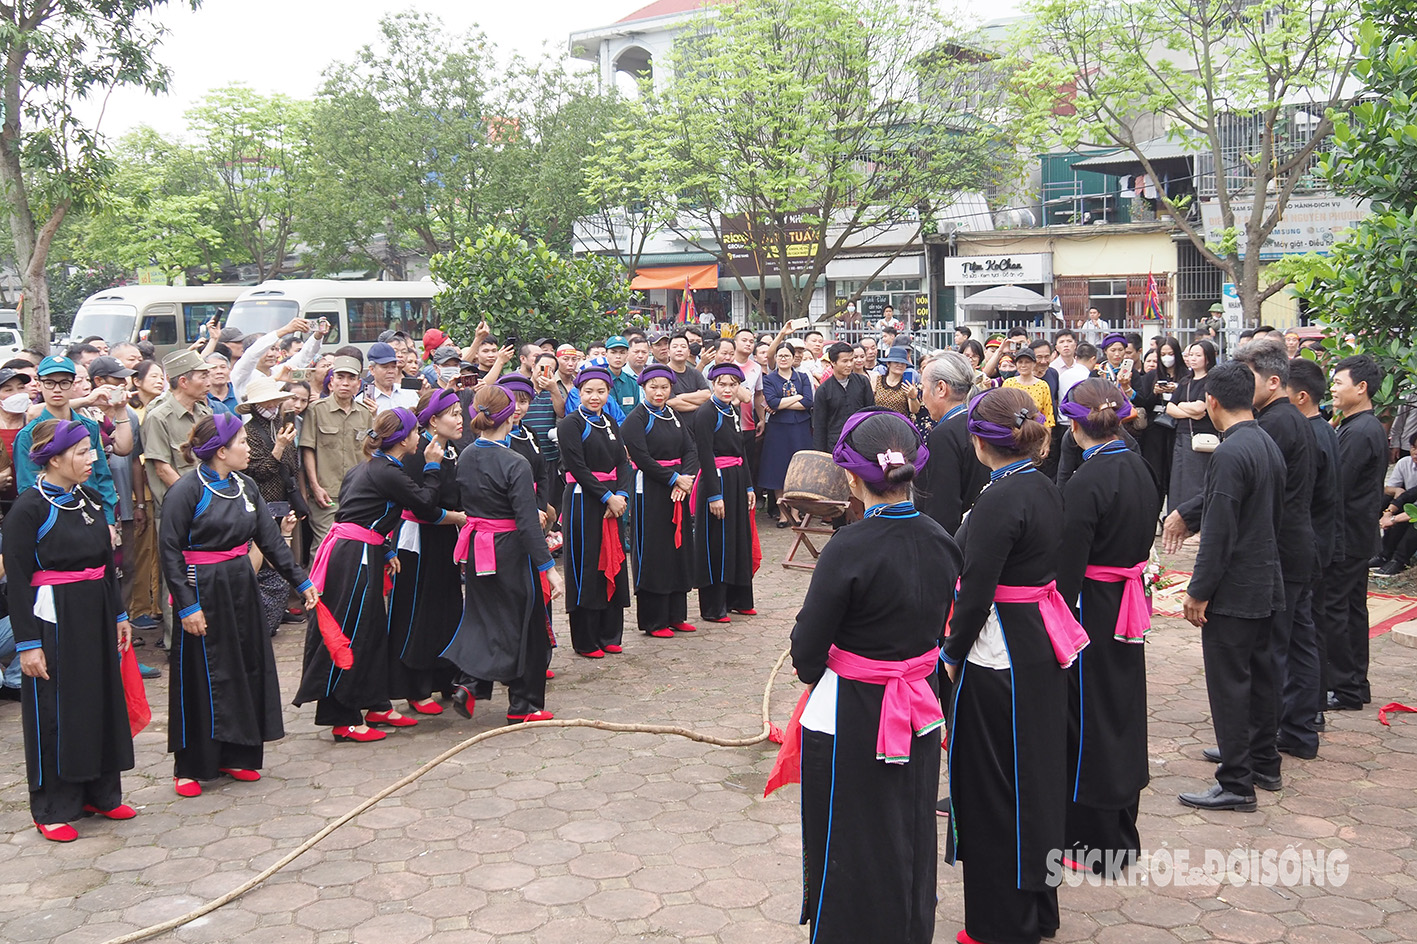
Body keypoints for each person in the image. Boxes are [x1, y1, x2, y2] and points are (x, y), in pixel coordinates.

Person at [788, 409, 958, 944]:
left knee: (850, 834)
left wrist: (819, 666)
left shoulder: (848, 546)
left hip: (854, 708)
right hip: (922, 704)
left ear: (852, 476)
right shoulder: (942, 539)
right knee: (908, 824)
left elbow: (807, 648)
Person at [943, 386, 1076, 944]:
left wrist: (951, 652)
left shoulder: (1001, 498)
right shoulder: (1040, 485)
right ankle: (1037, 911)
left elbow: (976, 590)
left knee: (993, 786)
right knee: (1036, 776)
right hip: (1038, 644)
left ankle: (1003, 923)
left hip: (1002, 652)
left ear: (979, 442)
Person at [158, 414, 317, 797]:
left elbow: (270, 540)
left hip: (241, 585)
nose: (249, 448)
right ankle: (191, 767)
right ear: (221, 450)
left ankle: (237, 754)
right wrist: (186, 606)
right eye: (242, 442)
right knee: (202, 675)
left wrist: (302, 579)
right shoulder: (186, 491)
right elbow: (170, 553)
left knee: (244, 667)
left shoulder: (245, 486)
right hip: (202, 590)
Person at [4, 419, 136, 841]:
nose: (91, 459)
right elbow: (19, 582)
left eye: (91, 450)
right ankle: (53, 807)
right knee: (56, 708)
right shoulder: (29, 509)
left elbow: (106, 566)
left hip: (95, 610)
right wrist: (27, 644)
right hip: (53, 619)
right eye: (82, 452)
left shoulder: (89, 497)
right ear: (55, 459)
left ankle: (102, 792)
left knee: (99, 698)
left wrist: (119, 615)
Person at [1163, 362, 1286, 811]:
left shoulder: (1232, 453)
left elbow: (1220, 530)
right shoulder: (1264, 443)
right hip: (1264, 580)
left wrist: (1199, 590)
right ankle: (1263, 762)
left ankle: (1236, 782)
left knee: (1231, 685)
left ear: (1211, 403)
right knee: (1260, 678)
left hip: (1237, 588)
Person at [291, 408, 452, 742]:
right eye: (414, 431)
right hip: (353, 558)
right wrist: (433, 467)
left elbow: (364, 513)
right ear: (404, 438)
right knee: (354, 630)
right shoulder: (387, 471)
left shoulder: (371, 468)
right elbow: (423, 504)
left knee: (375, 630)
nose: (418, 436)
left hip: (364, 550)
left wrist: (388, 549)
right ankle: (342, 717)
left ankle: (375, 702)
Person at [1056, 379, 1160, 875]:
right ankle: (1121, 830)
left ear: (1075, 426)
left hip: (1093, 608)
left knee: (1088, 712)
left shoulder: (1086, 482)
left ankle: (1092, 839)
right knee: (1122, 707)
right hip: (1127, 600)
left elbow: (1066, 568)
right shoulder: (1139, 465)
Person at [442, 385, 563, 722]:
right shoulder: (515, 462)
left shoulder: (465, 455)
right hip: (510, 550)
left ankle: (469, 682)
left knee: (483, 618)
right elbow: (527, 523)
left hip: (479, 548)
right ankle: (524, 705)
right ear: (509, 417)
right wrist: (548, 568)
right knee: (527, 625)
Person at [386, 387, 471, 717]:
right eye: (453, 414)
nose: (460, 419)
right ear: (433, 420)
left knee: (447, 608)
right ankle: (414, 685)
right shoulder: (417, 452)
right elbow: (422, 506)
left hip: (446, 538)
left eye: (460, 413)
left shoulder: (451, 450)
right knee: (419, 610)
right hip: (419, 540)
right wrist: (460, 518)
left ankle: (443, 676)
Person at [1324, 355, 1387, 712]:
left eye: (1339, 382)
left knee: (1337, 609)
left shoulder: (1362, 431)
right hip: (1355, 534)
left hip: (1348, 536)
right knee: (1350, 609)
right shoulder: (1358, 426)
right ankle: (1354, 684)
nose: (1333, 388)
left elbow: (1338, 485)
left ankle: (1345, 686)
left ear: (1361, 388)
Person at [620, 364, 701, 637]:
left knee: (679, 549)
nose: (659, 392)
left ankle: (677, 614)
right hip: (651, 490)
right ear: (643, 388)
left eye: (664, 387)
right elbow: (641, 458)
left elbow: (691, 449)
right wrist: (672, 479)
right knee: (655, 552)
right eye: (653, 387)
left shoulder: (674, 414)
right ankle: (654, 620)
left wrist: (686, 478)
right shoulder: (636, 419)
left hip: (678, 487)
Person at [558, 364, 632, 658]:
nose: (594, 397)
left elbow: (623, 463)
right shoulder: (570, 424)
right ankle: (586, 639)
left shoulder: (612, 423)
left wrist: (622, 494)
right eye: (588, 391)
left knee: (612, 560)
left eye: (601, 392)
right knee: (587, 566)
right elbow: (577, 467)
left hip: (613, 500)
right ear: (579, 392)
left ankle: (610, 633)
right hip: (582, 500)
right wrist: (606, 498)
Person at [1287, 356, 1343, 737]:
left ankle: (1303, 718)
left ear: (1302, 396)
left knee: (1300, 635)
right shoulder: (1321, 430)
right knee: (1305, 632)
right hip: (1318, 541)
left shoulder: (1311, 434)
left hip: (1310, 543)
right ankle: (1308, 714)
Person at [693, 362, 759, 623]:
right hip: (717, 480)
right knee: (717, 543)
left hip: (736, 479)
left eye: (733, 384)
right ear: (713, 385)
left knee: (738, 539)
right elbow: (705, 455)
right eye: (722, 384)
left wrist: (749, 485)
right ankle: (713, 606)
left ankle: (738, 598)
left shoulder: (732, 410)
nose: (728, 389)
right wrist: (713, 494)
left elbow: (741, 451)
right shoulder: (706, 413)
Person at [302, 355, 373, 543]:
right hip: (327, 493)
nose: (345, 383)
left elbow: (369, 454)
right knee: (323, 545)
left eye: (351, 379)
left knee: (352, 546)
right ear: (332, 382)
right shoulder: (316, 410)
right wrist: (315, 487)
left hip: (356, 493)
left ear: (358, 384)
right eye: (340, 377)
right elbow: (308, 449)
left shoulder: (365, 413)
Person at [916, 352, 986, 535]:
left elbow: (943, 506)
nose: (921, 397)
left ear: (941, 388)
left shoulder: (945, 435)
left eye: (922, 388)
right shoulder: (980, 421)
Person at [759, 345, 814, 527]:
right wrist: (796, 397)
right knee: (778, 470)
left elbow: (808, 402)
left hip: (800, 428)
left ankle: (796, 513)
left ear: (793, 358)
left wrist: (783, 403)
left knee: (799, 470)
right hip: (778, 430)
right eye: (780, 356)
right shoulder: (769, 379)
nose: (783, 359)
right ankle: (783, 514)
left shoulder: (803, 377)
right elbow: (772, 402)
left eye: (787, 355)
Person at [1165, 339, 1217, 511]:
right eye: (1190, 355)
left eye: (1198, 355)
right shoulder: (1185, 381)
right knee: (1178, 479)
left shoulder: (1211, 381)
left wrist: (1184, 407)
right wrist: (1188, 410)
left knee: (1195, 481)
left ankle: (1193, 519)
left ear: (1208, 358)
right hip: (1182, 434)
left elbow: (1201, 407)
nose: (1193, 359)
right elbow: (1170, 408)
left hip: (1201, 436)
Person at [1131, 335, 1183, 499]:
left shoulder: (1186, 377)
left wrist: (1177, 390)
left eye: (1171, 353)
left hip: (1177, 427)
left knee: (1175, 472)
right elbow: (1143, 403)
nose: (1167, 358)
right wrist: (1155, 393)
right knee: (1155, 471)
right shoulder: (1150, 377)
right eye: (1163, 354)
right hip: (1155, 428)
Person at [812, 342, 875, 454]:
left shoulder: (862, 382)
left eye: (851, 360)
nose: (850, 365)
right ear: (833, 362)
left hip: (860, 442)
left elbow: (870, 412)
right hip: (835, 445)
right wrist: (821, 453)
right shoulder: (824, 390)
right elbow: (819, 425)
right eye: (845, 361)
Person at [871, 346, 920, 418]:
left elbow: (914, 410)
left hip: (899, 424)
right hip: (878, 423)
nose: (899, 365)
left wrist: (913, 397)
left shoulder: (907, 384)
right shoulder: (877, 380)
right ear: (888, 364)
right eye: (896, 362)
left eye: (903, 363)